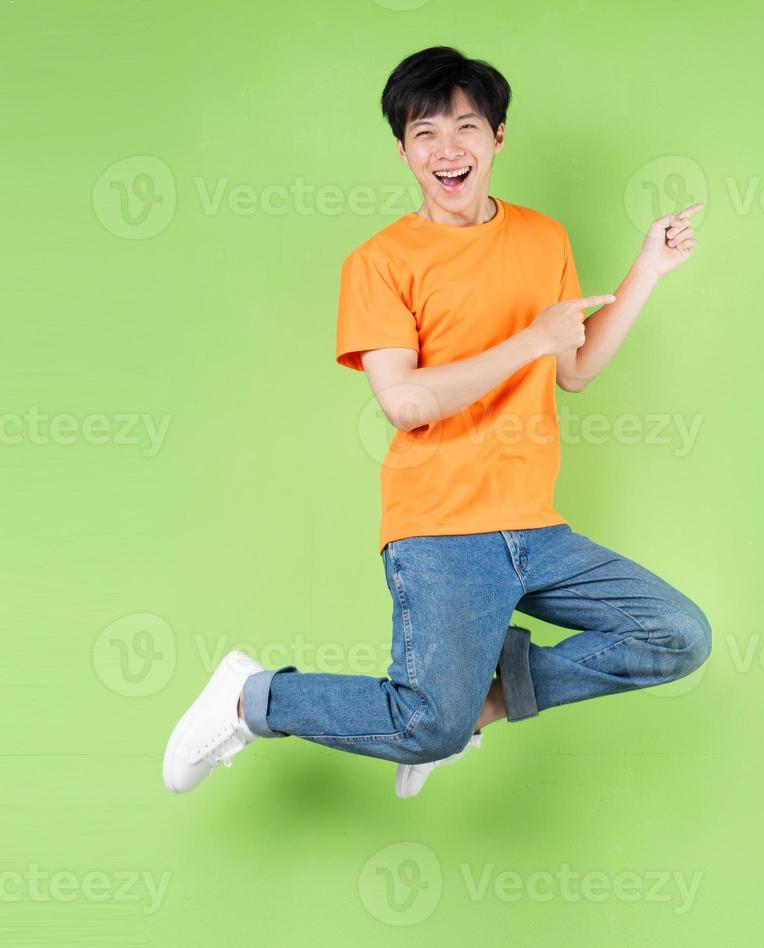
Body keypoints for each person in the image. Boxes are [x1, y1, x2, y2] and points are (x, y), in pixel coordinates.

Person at [163, 46, 710, 798]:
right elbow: (405, 401)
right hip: (442, 529)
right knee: (425, 724)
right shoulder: (381, 262)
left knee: (674, 635)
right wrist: (528, 340)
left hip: (536, 528)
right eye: (425, 133)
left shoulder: (542, 237)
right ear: (403, 150)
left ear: (497, 139)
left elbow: (574, 368)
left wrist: (646, 270)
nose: (447, 149)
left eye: (465, 128)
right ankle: (252, 699)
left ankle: (472, 711)